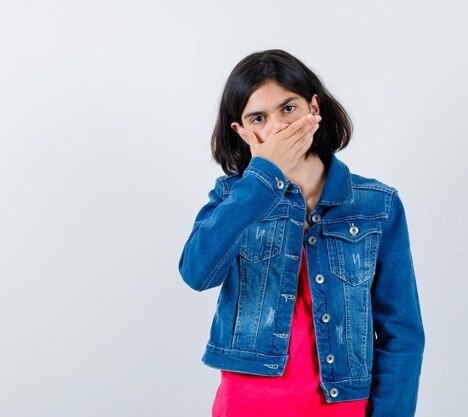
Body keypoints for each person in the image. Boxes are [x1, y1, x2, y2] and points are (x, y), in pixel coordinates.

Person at [178, 49, 425, 417]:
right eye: (259, 118)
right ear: (243, 132)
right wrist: (264, 176)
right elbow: (197, 273)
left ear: (314, 107)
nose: (278, 127)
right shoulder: (232, 197)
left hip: (343, 406)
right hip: (248, 405)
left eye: (288, 108)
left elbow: (401, 335)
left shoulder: (377, 205)